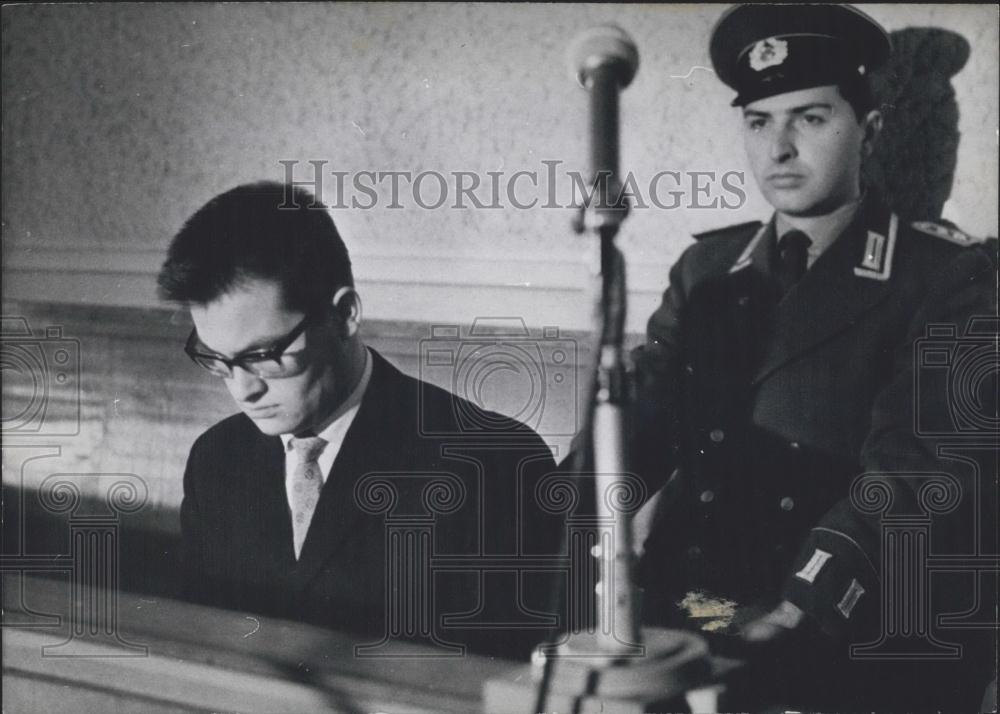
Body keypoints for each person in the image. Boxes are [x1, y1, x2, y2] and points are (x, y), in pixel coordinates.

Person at [631, 5, 997, 710]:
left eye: (810, 118)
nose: (779, 148)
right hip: (698, 611)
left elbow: (914, 471)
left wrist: (800, 608)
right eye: (759, 122)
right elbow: (640, 415)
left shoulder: (947, 278)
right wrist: (564, 513)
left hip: (843, 624)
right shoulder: (707, 271)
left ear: (871, 131)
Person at [157, 181, 560, 659]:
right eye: (217, 359)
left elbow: (513, 680)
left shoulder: (493, 464)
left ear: (345, 314)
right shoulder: (215, 460)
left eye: (263, 356)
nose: (243, 390)